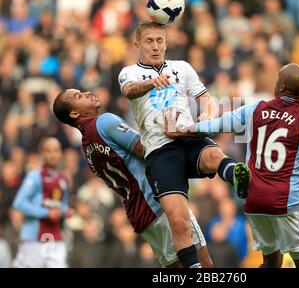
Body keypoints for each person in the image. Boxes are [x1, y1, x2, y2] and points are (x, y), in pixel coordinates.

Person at [165, 63, 299, 268]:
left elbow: (216, 125)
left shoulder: (255, 109)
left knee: (271, 264)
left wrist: (184, 129)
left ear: (282, 87)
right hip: (288, 205)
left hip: (255, 202)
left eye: (277, 79)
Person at [118, 21, 250, 268]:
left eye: (160, 40)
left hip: (188, 137)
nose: (156, 46)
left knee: (213, 154)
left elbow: (205, 98)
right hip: (160, 152)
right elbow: (129, 90)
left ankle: (236, 175)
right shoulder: (129, 72)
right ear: (137, 45)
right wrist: (151, 82)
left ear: (166, 42)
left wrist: (207, 115)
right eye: (149, 41)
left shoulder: (182, 67)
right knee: (179, 222)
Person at [52, 88, 212, 268]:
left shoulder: (87, 148)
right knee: (203, 265)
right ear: (74, 113)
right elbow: (148, 149)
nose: (87, 93)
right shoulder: (104, 122)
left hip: (140, 216)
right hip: (162, 200)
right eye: (78, 96)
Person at [12, 137, 72, 268]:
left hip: (55, 237)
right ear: (42, 153)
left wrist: (65, 211)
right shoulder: (35, 176)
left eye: (56, 150)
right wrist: (46, 213)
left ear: (60, 153)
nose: (52, 155)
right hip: (34, 238)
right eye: (48, 151)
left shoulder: (64, 180)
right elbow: (19, 203)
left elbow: (61, 205)